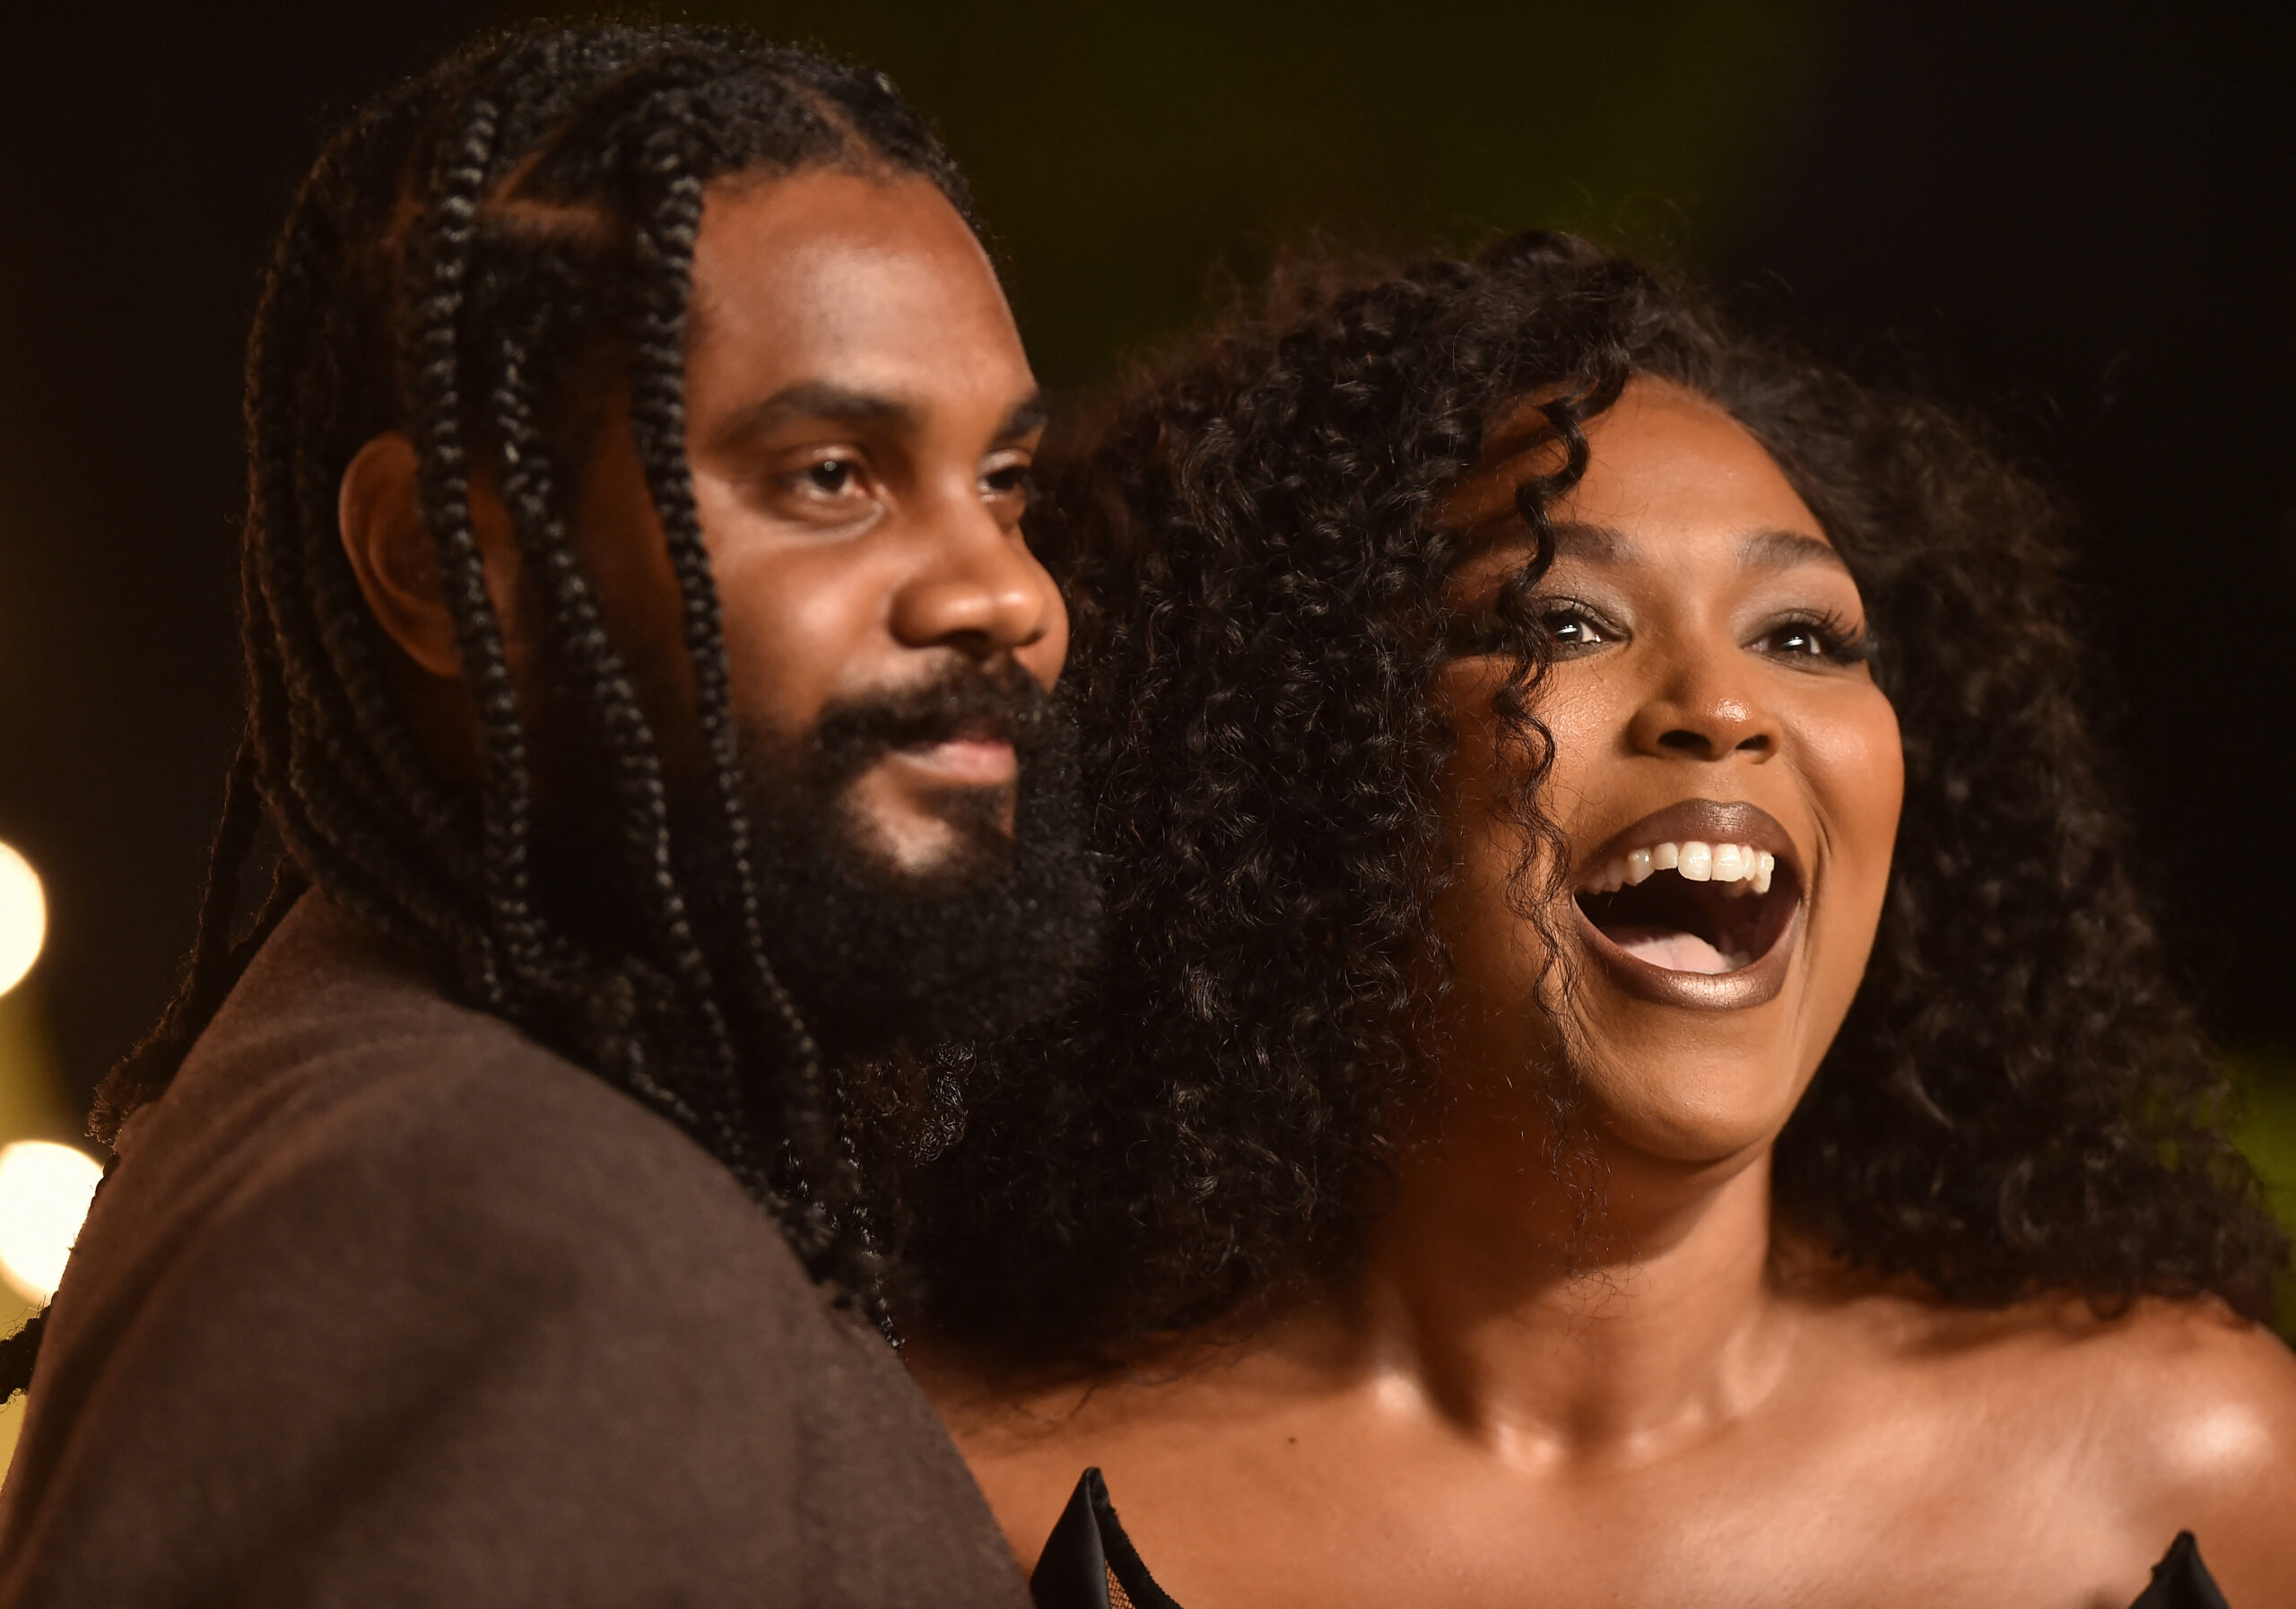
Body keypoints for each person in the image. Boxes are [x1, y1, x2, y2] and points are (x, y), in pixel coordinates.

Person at [903, 235, 2296, 1607]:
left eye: (1804, 637)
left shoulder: (2196, 1464)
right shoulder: (968, 1493)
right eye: (1562, 621)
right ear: (1300, 760)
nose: (1726, 704)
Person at [0, 24, 1095, 1605]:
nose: (1006, 592)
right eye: (831, 475)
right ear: (437, 564)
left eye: (1003, 482)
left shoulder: (445, 1091)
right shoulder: (508, 1221)